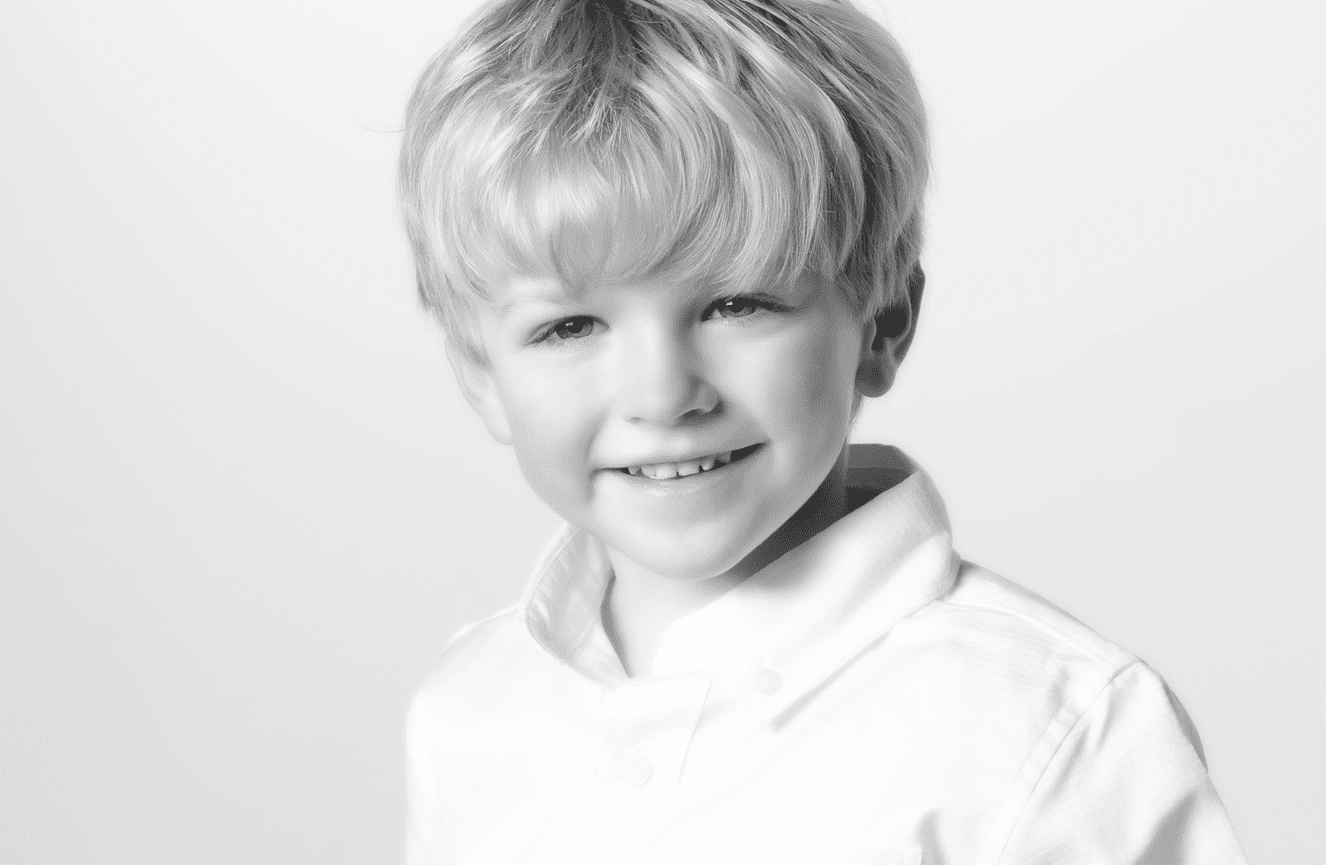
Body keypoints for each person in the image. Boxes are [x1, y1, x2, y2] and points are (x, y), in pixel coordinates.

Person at [397, 0, 1247, 861]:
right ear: (479, 370)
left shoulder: (1055, 733)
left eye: (737, 303)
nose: (661, 394)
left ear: (880, 324)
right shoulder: (471, 706)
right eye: (570, 326)